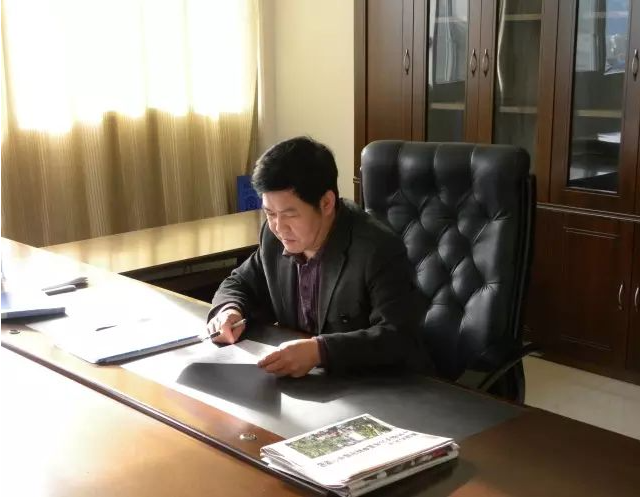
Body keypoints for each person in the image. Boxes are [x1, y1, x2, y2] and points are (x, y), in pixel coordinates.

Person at [208, 136, 424, 377]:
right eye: (270, 213)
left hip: (374, 383)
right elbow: (240, 283)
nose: (279, 227)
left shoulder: (377, 249)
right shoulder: (273, 238)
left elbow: (397, 337)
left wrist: (320, 351)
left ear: (327, 203)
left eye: (290, 215)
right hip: (303, 382)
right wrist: (229, 310)